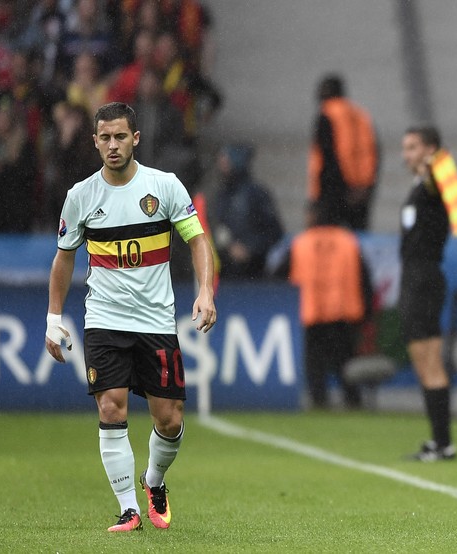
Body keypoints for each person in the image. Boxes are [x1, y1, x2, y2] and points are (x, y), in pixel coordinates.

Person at [44, 102, 217, 532]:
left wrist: (205, 291)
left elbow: (197, 241)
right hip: (104, 319)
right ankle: (128, 509)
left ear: (135, 138)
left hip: (156, 320)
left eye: (121, 136)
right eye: (105, 137)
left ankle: (153, 482)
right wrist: (53, 316)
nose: (113, 145)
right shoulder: (81, 196)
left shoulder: (165, 186)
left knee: (170, 418)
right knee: (111, 406)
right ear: (95, 141)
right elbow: (64, 259)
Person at [274, 203, 373, 409]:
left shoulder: (300, 243)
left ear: (313, 216)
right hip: (342, 313)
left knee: (315, 363)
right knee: (344, 361)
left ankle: (319, 401)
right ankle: (353, 401)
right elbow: (365, 279)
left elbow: (277, 276)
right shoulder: (348, 241)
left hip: (312, 312)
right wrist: (366, 312)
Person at [399, 125, 457, 462]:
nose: (406, 154)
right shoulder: (418, 186)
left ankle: (443, 443)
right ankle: (439, 441)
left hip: (424, 278)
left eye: (413, 147)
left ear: (431, 150)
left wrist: (433, 163)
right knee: (423, 363)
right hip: (414, 278)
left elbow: (438, 178)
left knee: (431, 362)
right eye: (405, 148)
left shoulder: (433, 182)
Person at [307, 73, 379, 230]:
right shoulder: (361, 115)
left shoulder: (326, 116)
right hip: (361, 192)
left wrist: (318, 198)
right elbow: (373, 152)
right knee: (357, 239)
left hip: (333, 192)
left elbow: (327, 157)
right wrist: (365, 187)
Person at [210, 143, 284, 280]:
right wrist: (227, 247)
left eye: (226, 161)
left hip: (254, 273)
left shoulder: (256, 194)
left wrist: (250, 249)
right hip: (226, 272)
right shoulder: (221, 195)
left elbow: (275, 232)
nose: (221, 165)